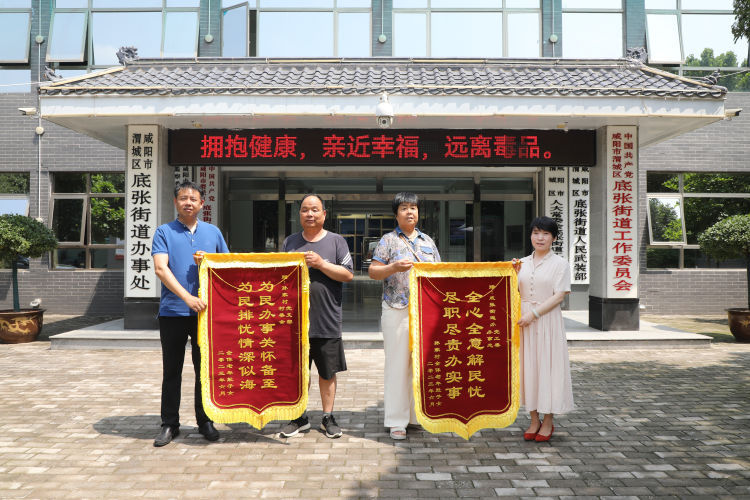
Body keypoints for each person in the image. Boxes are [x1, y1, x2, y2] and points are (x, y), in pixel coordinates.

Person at [151, 180, 229, 447]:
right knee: (171, 370)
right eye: (183, 198)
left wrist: (210, 261)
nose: (188, 203)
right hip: (172, 311)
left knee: (204, 370)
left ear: (201, 204)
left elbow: (227, 267)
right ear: (175, 202)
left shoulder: (213, 232)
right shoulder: (164, 232)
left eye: (193, 199)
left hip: (206, 314)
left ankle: (205, 420)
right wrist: (187, 298)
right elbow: (161, 269)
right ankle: (169, 424)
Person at [279, 194, 354, 439]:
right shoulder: (290, 242)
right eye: (304, 210)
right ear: (299, 214)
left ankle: (327, 417)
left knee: (327, 372)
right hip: (295, 321)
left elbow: (348, 274)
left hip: (327, 318)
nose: (309, 214)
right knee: (299, 372)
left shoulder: (337, 241)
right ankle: (298, 416)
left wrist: (321, 264)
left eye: (314, 209)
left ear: (324, 214)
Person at [368, 192, 440, 440]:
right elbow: (373, 272)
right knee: (397, 365)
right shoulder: (388, 240)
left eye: (413, 208)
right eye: (404, 208)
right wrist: (393, 267)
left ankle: (414, 417)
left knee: (420, 364)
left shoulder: (428, 241)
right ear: (396, 214)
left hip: (425, 311)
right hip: (396, 309)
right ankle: (396, 421)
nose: (410, 212)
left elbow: (440, 273)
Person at [515, 216, 574, 442]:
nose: (540, 238)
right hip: (523, 323)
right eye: (536, 232)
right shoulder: (520, 263)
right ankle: (533, 419)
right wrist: (511, 273)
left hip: (547, 321)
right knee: (528, 369)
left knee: (548, 369)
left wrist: (534, 314)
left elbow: (559, 296)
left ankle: (548, 420)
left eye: (546, 234)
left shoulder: (560, 264)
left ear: (554, 238)